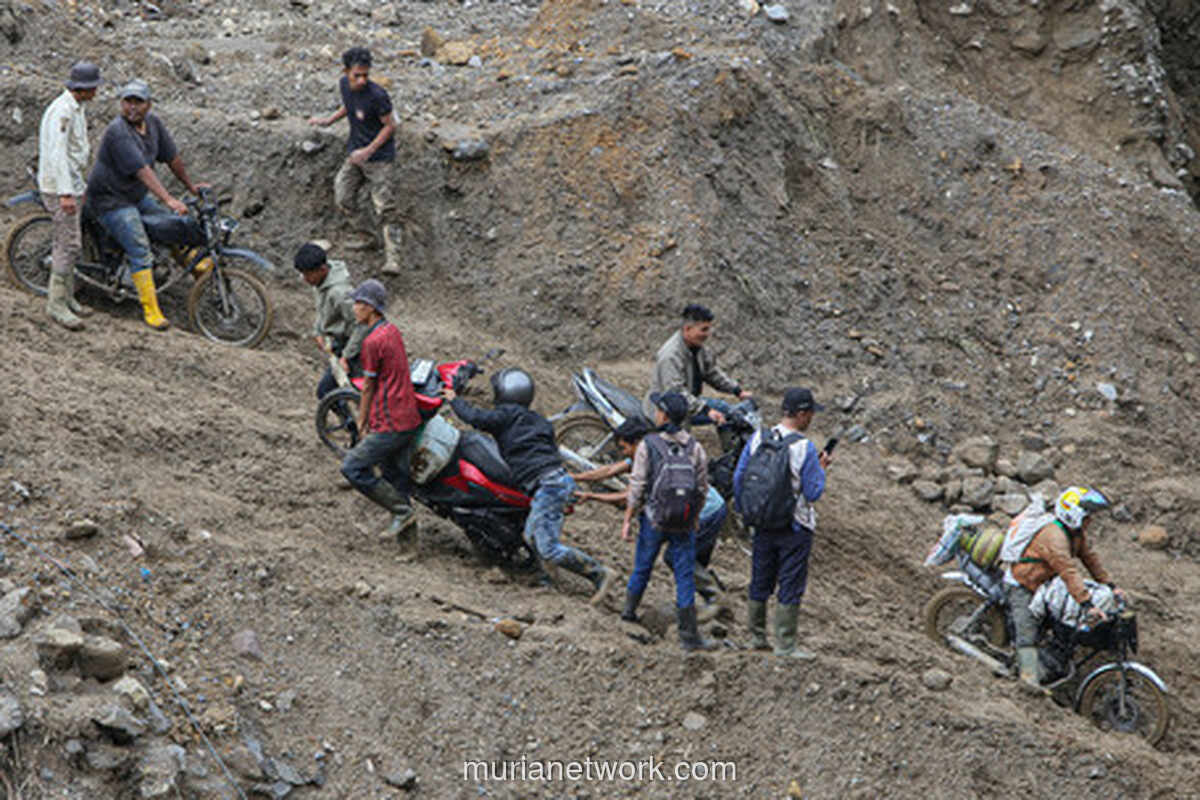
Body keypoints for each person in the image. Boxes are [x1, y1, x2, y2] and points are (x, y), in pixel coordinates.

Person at [441, 368, 616, 605]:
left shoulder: (506, 416)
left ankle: (599, 573)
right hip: (556, 480)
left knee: (548, 547)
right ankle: (547, 577)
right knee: (532, 534)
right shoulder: (539, 421)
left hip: (548, 485)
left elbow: (476, 418)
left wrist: (454, 400)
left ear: (503, 394)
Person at [571, 417, 727, 621]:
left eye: (624, 447)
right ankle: (712, 598)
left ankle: (714, 597)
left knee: (672, 557)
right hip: (700, 508)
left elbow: (630, 496)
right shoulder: (651, 449)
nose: (623, 453)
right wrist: (577, 476)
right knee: (686, 558)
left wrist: (592, 496)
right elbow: (609, 470)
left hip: (705, 512)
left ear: (637, 442)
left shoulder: (650, 457)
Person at [85, 78, 208, 330]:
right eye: (127, 101)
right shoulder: (118, 132)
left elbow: (172, 158)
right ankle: (151, 310)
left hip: (135, 196)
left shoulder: (153, 124)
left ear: (149, 104)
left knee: (170, 226)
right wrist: (169, 199)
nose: (132, 107)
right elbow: (143, 171)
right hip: (111, 200)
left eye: (138, 102)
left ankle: (194, 269)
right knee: (140, 248)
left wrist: (190, 187)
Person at [732, 387, 832, 660]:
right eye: (810, 413)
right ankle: (785, 644)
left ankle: (755, 636)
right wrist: (822, 470)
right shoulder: (804, 448)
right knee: (790, 581)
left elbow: (739, 478)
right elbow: (813, 492)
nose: (811, 418)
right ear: (801, 414)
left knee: (760, 577)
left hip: (761, 522)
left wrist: (746, 510)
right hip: (794, 526)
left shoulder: (758, 438)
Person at [620, 392, 717, 651]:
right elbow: (702, 489)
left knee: (643, 566)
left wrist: (628, 518)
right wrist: (694, 518)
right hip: (683, 522)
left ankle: (628, 613)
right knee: (684, 576)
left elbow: (637, 485)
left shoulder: (648, 444)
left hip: (654, 519)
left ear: (663, 415)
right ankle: (689, 636)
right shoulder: (695, 447)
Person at [1006, 486, 1122, 692]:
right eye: (1087, 516)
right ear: (1074, 514)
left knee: (1061, 619)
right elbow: (1068, 571)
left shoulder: (1075, 534)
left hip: (1044, 584)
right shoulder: (1054, 536)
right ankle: (1028, 679)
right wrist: (1086, 604)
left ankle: (1053, 656)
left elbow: (1090, 559)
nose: (1089, 521)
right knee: (1028, 633)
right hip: (1023, 584)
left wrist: (1110, 585)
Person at [339, 279, 423, 547]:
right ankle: (408, 547)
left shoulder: (372, 341)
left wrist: (362, 420)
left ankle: (402, 511)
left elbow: (368, 387)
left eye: (358, 303)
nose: (354, 308)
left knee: (352, 467)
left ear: (370, 307)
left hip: (391, 421)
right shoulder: (392, 331)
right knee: (394, 477)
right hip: (407, 415)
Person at [308, 46, 402, 275]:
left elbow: (390, 126)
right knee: (343, 196)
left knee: (385, 207)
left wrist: (369, 150)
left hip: (379, 159)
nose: (361, 81)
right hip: (356, 155)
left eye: (365, 75)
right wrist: (329, 120)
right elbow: (349, 105)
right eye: (356, 75)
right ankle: (368, 237)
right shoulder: (344, 85)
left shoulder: (378, 96)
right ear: (346, 72)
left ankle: (393, 258)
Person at [37, 61, 102, 331]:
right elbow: (58, 155)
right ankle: (56, 303)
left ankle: (66, 296)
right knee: (68, 244)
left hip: (72, 184)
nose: (97, 91)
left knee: (69, 242)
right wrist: (65, 193)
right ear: (84, 88)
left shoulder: (76, 107)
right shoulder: (63, 111)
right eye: (94, 86)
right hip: (59, 187)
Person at [642, 304, 752, 428]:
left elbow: (711, 373)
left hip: (690, 401)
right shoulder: (670, 356)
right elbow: (676, 393)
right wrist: (706, 410)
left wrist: (737, 390)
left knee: (726, 410)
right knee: (717, 416)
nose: (707, 334)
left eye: (708, 329)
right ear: (687, 329)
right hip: (666, 413)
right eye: (704, 330)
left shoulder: (697, 347)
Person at [294, 242, 366, 401]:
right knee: (327, 393)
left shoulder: (340, 293)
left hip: (354, 348)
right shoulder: (320, 281)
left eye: (307, 274)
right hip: (338, 345)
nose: (305, 279)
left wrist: (346, 356)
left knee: (356, 396)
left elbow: (360, 326)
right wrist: (318, 331)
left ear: (322, 270)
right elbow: (322, 309)